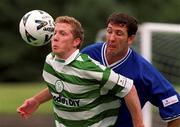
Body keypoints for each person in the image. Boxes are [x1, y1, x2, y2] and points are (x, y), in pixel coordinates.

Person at [17, 16, 144, 127]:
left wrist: (139, 125)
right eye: (54, 33)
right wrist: (36, 100)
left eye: (62, 33)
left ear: (76, 42)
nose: (55, 37)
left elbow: (129, 89)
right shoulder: (50, 61)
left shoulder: (89, 68)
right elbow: (61, 86)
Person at [81, 12, 180, 127]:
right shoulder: (88, 55)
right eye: (109, 31)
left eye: (119, 33)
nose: (112, 38)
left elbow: (175, 109)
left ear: (130, 39)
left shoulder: (143, 72)